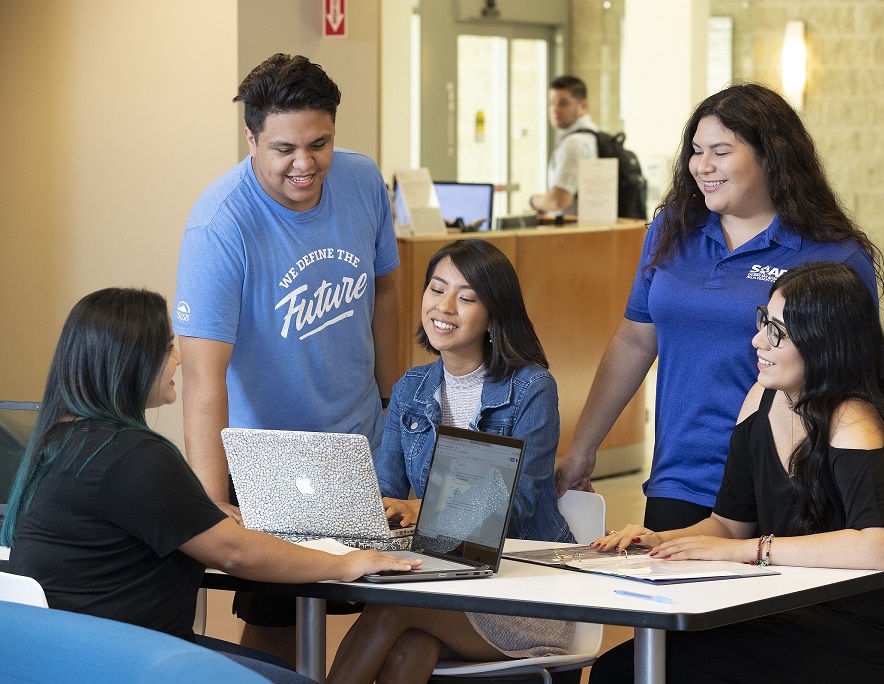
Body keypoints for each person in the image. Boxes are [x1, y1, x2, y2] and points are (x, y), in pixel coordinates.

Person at [1, 288, 419, 684]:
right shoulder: (132, 456)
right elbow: (235, 553)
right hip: (127, 661)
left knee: (273, 666)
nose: (179, 358)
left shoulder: (58, 444)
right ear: (128, 360)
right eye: (167, 346)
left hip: (64, 656)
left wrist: (200, 516)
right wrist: (347, 563)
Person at [555, 83, 883, 533]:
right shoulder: (673, 229)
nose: (702, 166)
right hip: (680, 478)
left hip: (785, 485)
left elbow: (859, 384)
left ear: (772, 155)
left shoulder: (832, 256)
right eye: (696, 150)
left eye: (721, 151)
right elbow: (634, 340)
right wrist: (583, 448)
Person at [590, 262, 884, 683]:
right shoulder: (761, 399)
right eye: (764, 322)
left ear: (823, 343)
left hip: (858, 624)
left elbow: (877, 548)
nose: (757, 341)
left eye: (777, 332)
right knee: (620, 669)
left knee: (642, 671)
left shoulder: (852, 418)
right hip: (784, 606)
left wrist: (750, 550)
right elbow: (729, 525)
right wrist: (659, 541)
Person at [172, 53, 402, 662]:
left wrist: (395, 400)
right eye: (283, 149)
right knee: (278, 626)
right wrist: (210, 501)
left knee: (396, 610)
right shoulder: (221, 223)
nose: (304, 164)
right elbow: (202, 375)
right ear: (251, 139)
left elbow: (385, 291)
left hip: (362, 442)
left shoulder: (361, 181)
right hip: (272, 463)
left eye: (319, 144)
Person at [328, 239, 574, 684]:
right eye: (436, 289)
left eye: (466, 297)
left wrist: (422, 510)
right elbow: (388, 491)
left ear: (494, 314)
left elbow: (513, 508)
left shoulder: (533, 387)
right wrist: (372, 510)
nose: (444, 307)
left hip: (524, 589)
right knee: (410, 649)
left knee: (389, 612)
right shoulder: (411, 388)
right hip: (442, 579)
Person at [529, 75, 598, 216]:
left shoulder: (574, 143)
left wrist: (533, 201)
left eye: (563, 103)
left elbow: (559, 200)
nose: (555, 109)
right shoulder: (592, 136)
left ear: (583, 105)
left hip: (573, 232)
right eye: (551, 103)